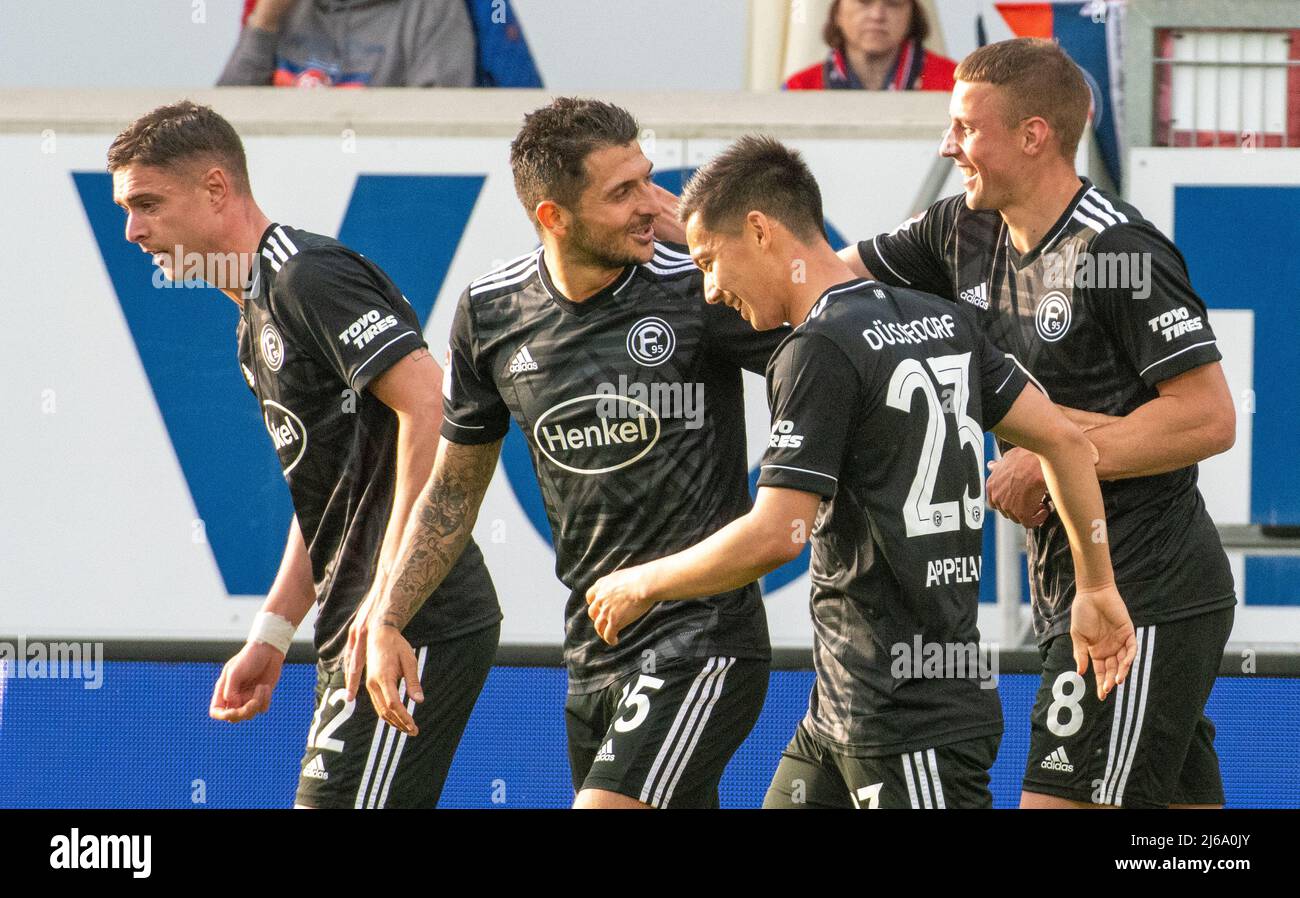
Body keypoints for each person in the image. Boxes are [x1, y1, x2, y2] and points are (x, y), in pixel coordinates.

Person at [585, 135, 1135, 809]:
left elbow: (778, 535)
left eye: (707, 260)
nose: (709, 288)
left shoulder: (815, 347)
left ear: (759, 232)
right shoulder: (944, 319)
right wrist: (1097, 585)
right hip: (842, 714)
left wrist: (645, 581)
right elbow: (1068, 444)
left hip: (911, 722)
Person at [344, 98, 785, 809]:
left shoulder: (697, 287)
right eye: (623, 193)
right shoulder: (491, 313)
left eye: (646, 179)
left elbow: (833, 344)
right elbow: (454, 489)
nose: (652, 204)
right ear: (552, 217)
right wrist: (390, 616)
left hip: (704, 635)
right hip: (592, 649)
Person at [839, 37, 1239, 808]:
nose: (948, 145)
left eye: (966, 127)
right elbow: (829, 283)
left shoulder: (1116, 248)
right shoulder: (959, 229)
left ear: (1034, 135)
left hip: (1145, 588)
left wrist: (1054, 452)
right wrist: (704, 252)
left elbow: (1209, 419)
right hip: (1076, 584)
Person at [107, 101, 501, 808]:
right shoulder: (251, 319)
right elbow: (329, 492)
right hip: (358, 620)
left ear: (217, 188)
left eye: (147, 204)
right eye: (126, 210)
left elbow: (431, 406)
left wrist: (389, 602)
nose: (133, 230)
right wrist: (274, 630)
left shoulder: (304, 277)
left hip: (414, 619)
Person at [218, 0, 475, 88]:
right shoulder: (282, 10)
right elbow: (221, 130)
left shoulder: (432, 10)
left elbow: (436, 135)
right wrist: (264, 23)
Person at [784, 0, 956, 92]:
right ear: (837, 11)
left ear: (913, 14)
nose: (877, 15)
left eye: (893, 3)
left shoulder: (957, 86)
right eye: (864, 1)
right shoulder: (798, 88)